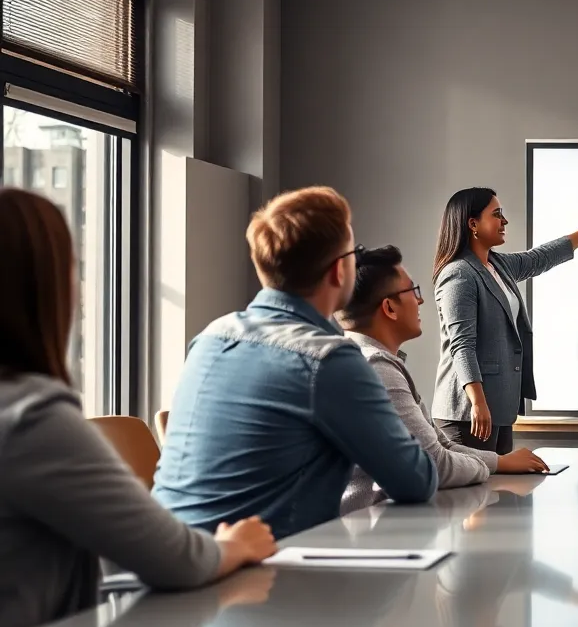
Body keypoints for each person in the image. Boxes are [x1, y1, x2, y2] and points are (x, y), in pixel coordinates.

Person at [0, 189, 275, 627]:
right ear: (45, 286)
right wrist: (235, 545)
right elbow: (173, 559)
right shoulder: (32, 418)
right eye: (73, 267)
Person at [153, 187, 439, 540]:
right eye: (356, 253)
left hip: (171, 563)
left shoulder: (209, 338)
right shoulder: (331, 360)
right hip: (261, 576)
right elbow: (416, 480)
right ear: (339, 270)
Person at [336, 245, 550, 514]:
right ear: (389, 307)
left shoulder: (366, 359)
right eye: (413, 291)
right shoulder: (374, 367)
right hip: (370, 538)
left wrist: (499, 462)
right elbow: (433, 463)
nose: (421, 300)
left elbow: (440, 445)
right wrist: (491, 466)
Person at [432, 188, 578, 454]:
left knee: (495, 493)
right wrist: (478, 402)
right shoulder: (459, 274)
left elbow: (542, 257)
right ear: (473, 224)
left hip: (497, 407)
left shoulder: (497, 265)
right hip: (468, 412)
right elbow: (462, 345)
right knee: (474, 493)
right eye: (496, 214)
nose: (504, 221)